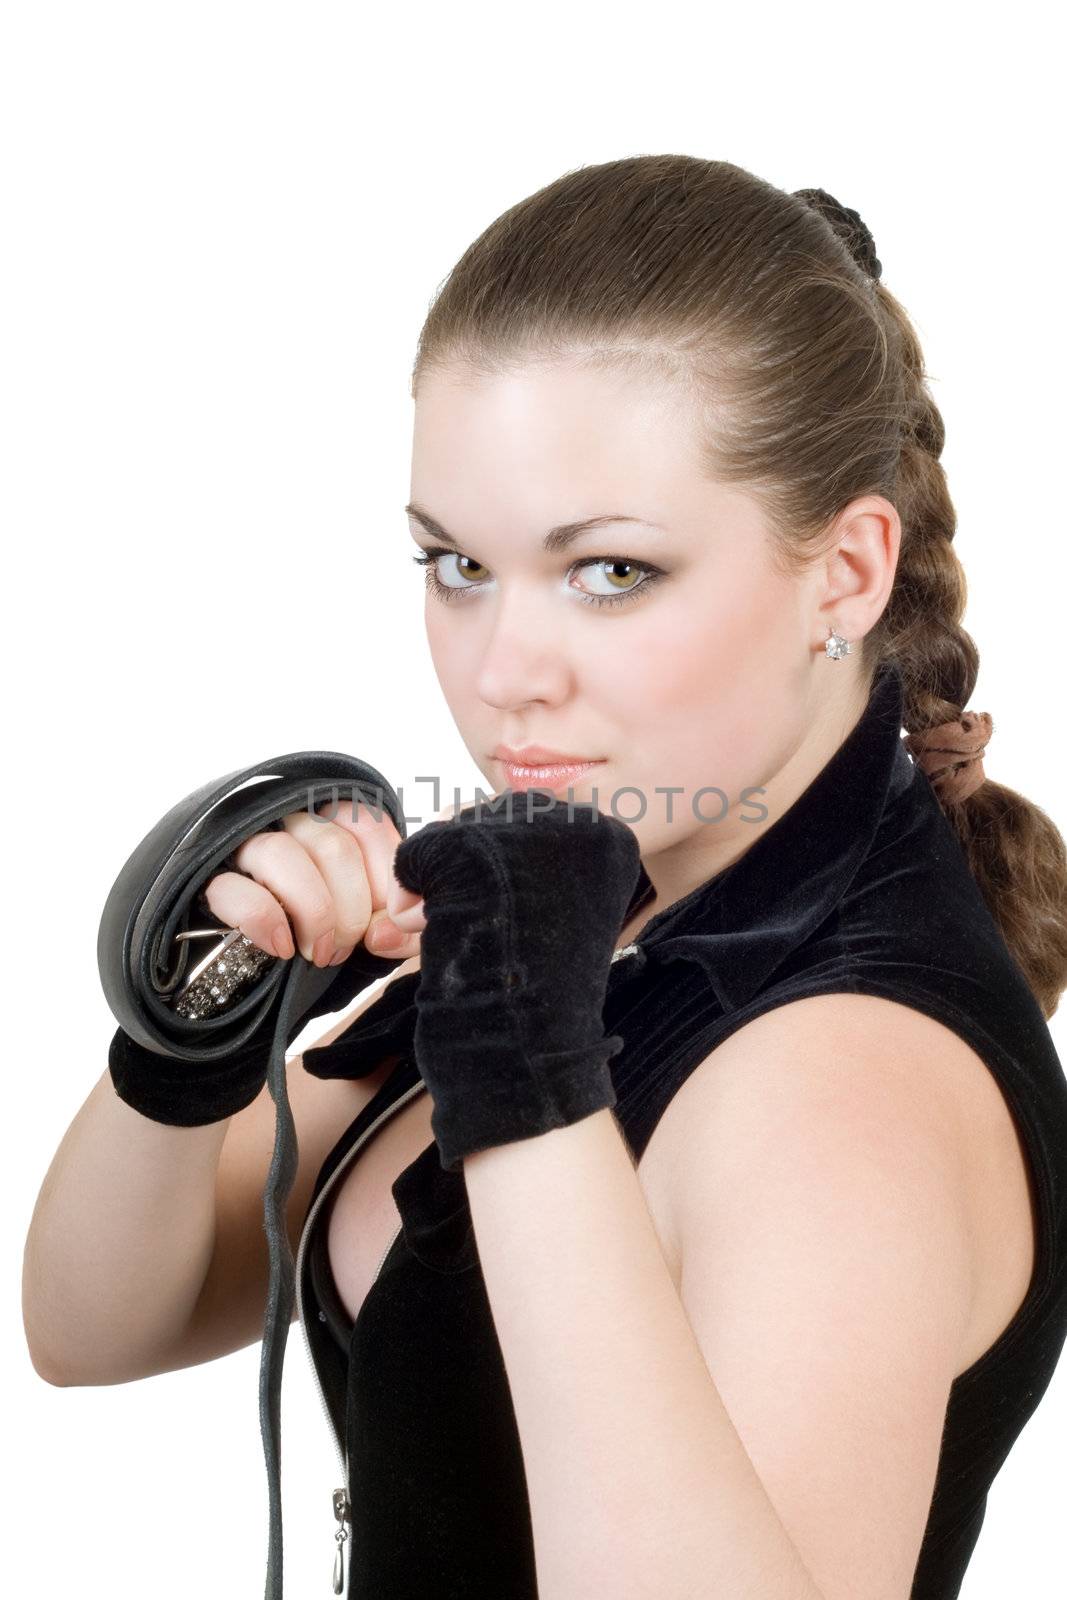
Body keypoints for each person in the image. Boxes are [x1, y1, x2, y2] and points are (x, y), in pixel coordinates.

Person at [25, 154, 1067, 1600]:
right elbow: (95, 1330)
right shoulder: (626, 890)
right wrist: (201, 1040)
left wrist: (524, 1069)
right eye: (456, 566)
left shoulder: (839, 1085)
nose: (503, 676)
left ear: (845, 574)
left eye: (613, 573)